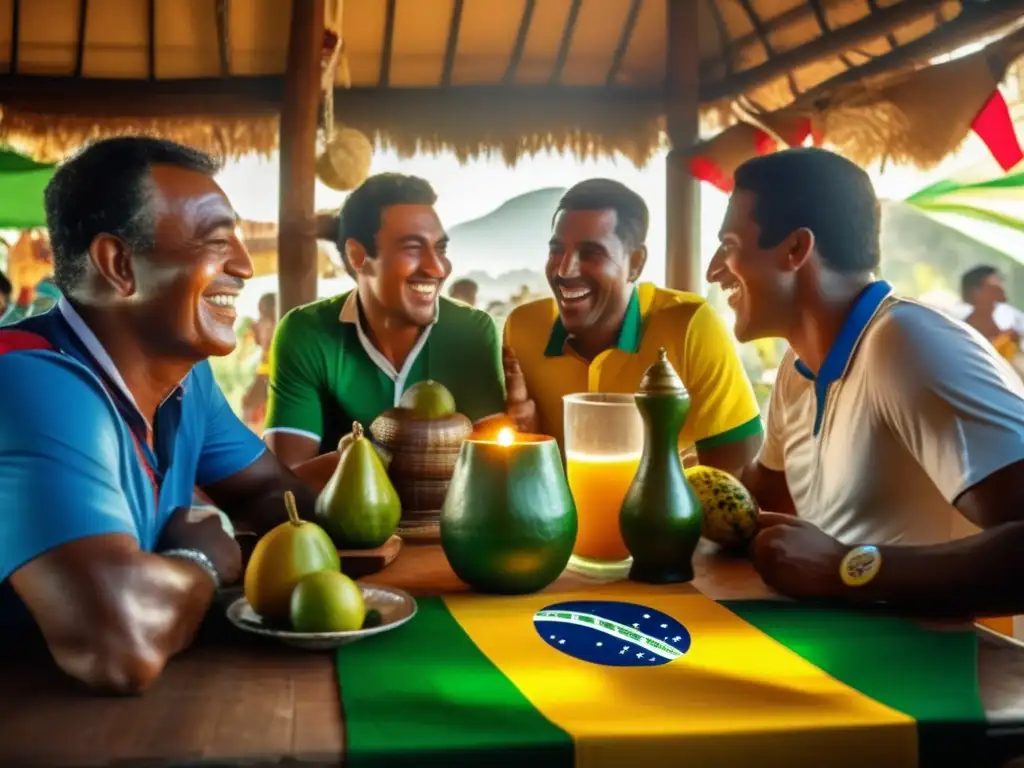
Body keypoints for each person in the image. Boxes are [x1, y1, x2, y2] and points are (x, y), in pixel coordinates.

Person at [0, 136, 318, 694]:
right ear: (119, 264)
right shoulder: (28, 379)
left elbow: (273, 492)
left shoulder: (185, 379)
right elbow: (119, 642)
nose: (243, 265)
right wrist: (201, 557)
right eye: (217, 241)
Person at [706, 147, 1024, 617]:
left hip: (945, 678)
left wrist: (845, 569)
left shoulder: (907, 344)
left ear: (796, 250)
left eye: (729, 246)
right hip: (842, 663)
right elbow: (755, 503)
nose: (714, 270)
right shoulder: (798, 369)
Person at [502, 178, 763, 475]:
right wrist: (526, 436)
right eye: (557, 250)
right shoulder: (522, 329)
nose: (564, 269)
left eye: (590, 253)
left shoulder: (689, 325)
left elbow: (740, 481)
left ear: (636, 263)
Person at [264, 173, 506, 486]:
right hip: (337, 534)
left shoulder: (471, 331)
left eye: (440, 249)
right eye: (413, 248)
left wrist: (361, 454)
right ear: (358, 256)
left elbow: (492, 469)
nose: (437, 268)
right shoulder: (307, 332)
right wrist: (399, 451)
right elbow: (285, 484)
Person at [240, 292, 278, 431]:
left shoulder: (258, 326)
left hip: (267, 372)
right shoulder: (279, 323)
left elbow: (242, 355)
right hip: (268, 371)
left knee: (249, 405)